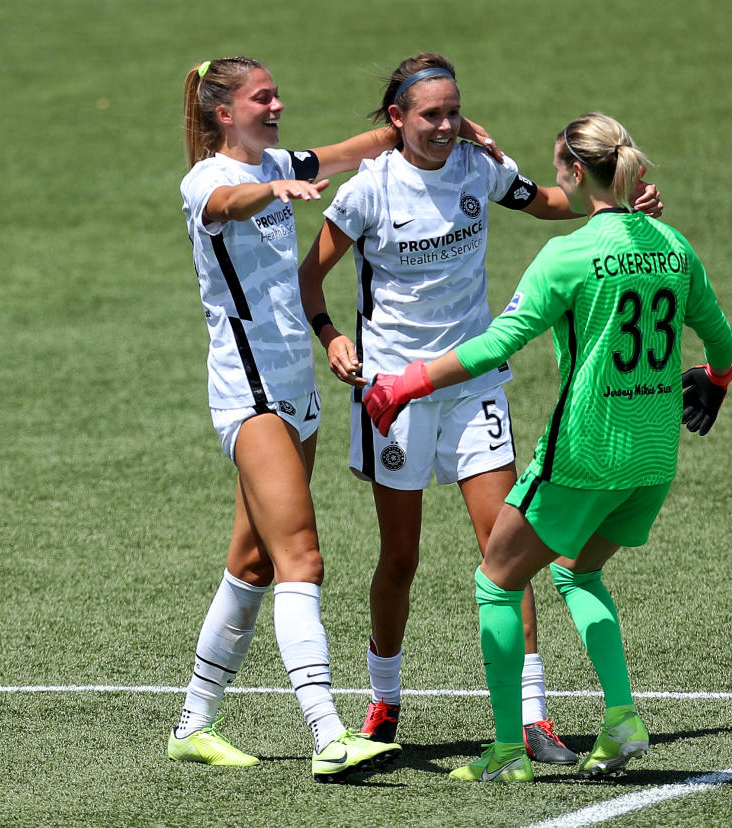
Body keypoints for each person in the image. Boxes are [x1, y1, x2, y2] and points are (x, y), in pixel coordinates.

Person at [297, 54, 664, 764]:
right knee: (399, 558)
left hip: (473, 387)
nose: (444, 125)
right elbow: (310, 275)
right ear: (397, 119)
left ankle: (531, 718)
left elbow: (556, 206)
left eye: (453, 111)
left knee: (506, 551)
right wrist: (332, 337)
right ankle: (384, 697)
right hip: (394, 395)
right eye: (430, 114)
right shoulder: (369, 190)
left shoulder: (478, 169)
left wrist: (626, 210)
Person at [361, 112, 732, 782]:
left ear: (569, 169)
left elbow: (495, 345)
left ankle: (508, 751)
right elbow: (722, 340)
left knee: (495, 582)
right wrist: (716, 381)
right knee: (575, 571)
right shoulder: (674, 246)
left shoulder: (567, 255)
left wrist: (408, 383)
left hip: (584, 454)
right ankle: (620, 717)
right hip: (652, 460)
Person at [168, 56, 490, 783]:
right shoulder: (210, 182)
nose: (278, 103)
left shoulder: (279, 160)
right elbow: (226, 209)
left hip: (298, 392)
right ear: (225, 112)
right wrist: (269, 189)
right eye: (263, 96)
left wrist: (458, 128)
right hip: (249, 397)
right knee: (302, 559)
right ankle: (327, 732)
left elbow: (360, 148)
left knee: (251, 563)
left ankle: (193, 723)